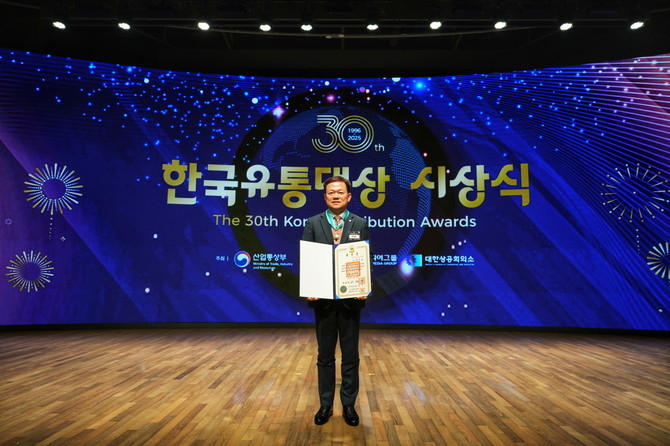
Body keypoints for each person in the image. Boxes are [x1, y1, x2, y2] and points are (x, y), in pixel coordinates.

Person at [301, 176, 370, 427]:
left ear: (349, 196)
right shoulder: (313, 223)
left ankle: (349, 405)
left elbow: (365, 257)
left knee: (350, 356)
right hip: (323, 300)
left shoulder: (360, 223)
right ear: (325, 197)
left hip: (351, 299)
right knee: (325, 356)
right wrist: (310, 286)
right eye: (331, 192)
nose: (336, 196)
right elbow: (306, 258)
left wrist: (364, 285)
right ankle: (326, 404)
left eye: (340, 192)